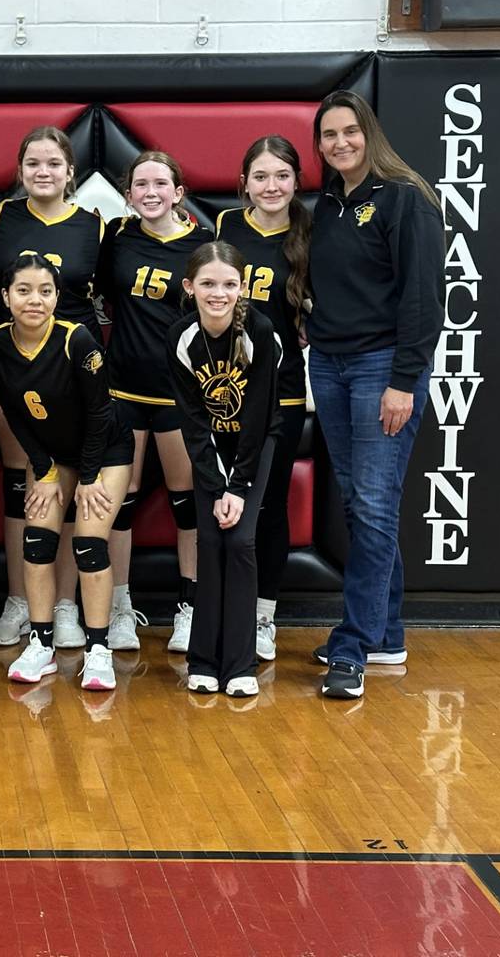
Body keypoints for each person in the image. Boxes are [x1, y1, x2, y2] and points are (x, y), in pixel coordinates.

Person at [307, 90, 444, 700]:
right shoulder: (329, 203)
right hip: (329, 366)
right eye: (329, 135)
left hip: (381, 368)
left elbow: (422, 299)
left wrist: (402, 381)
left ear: (370, 135)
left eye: (350, 132)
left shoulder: (404, 199)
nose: (340, 143)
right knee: (363, 504)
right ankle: (385, 634)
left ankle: (353, 645)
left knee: (374, 505)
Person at [0, 126, 107, 653]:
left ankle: (65, 606)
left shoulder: (94, 225)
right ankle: (19, 601)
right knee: (25, 481)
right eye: (33, 163)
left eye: (54, 163)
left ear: (70, 171)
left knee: (71, 485)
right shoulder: (0, 216)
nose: (43, 172)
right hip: (15, 359)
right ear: (21, 169)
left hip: (73, 363)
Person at [0, 254, 134, 692]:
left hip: (104, 451)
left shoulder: (77, 338)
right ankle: (40, 644)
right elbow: (14, 412)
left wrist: (88, 478)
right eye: (24, 290)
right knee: (37, 540)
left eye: (46, 291)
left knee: (89, 543)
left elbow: (99, 413)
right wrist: (44, 468)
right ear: (6, 297)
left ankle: (98, 651)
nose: (35, 300)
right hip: (53, 456)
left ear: (57, 297)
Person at [97, 151, 214, 654]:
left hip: (179, 392)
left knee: (186, 504)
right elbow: (100, 297)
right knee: (120, 503)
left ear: (178, 192)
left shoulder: (200, 247)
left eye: (160, 183)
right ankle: (120, 607)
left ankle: (188, 608)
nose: (150, 192)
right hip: (122, 388)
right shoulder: (116, 238)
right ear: (129, 194)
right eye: (140, 184)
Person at [215, 136, 313, 663]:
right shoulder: (226, 228)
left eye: (281, 175)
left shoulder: (309, 234)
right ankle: (219, 609)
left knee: (269, 508)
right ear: (244, 182)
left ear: (296, 182)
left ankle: (264, 616)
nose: (271, 186)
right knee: (222, 505)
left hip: (282, 393)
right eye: (260, 176)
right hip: (222, 391)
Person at [168, 241, 282, 697]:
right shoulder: (182, 338)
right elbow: (194, 424)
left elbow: (257, 419)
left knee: (240, 541)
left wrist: (237, 487)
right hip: (209, 452)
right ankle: (204, 662)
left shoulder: (260, 330)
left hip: (253, 449)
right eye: (209, 284)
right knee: (211, 538)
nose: (219, 293)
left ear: (242, 287)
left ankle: (240, 666)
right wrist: (216, 487)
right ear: (190, 287)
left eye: (229, 284)